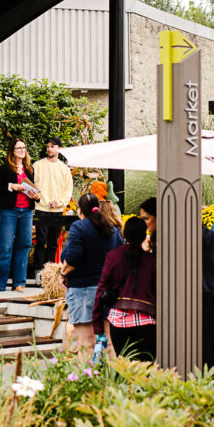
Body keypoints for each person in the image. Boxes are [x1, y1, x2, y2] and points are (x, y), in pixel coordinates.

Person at [61, 193, 123, 352]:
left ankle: (88, 370)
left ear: (79, 210)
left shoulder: (79, 227)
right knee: (108, 341)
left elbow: (72, 258)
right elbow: (121, 253)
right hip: (106, 291)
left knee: (86, 342)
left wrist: (63, 274)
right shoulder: (110, 227)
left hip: (83, 290)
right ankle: (111, 369)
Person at [92, 216, 156, 360]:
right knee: (144, 367)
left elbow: (101, 289)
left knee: (124, 366)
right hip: (147, 321)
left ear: (124, 234)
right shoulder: (152, 260)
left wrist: (97, 325)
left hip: (118, 321)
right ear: (144, 236)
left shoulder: (113, 257)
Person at [0, 137, 39, 292]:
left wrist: (36, 197)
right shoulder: (4, 169)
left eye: (24, 148)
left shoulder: (29, 169)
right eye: (19, 148)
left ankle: (19, 283)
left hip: (26, 211)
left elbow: (32, 189)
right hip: (10, 211)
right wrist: (11, 186)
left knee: (24, 245)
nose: (22, 150)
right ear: (12, 151)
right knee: (5, 245)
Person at [31, 138, 74, 277]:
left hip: (58, 210)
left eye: (52, 146)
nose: (49, 149)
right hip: (41, 208)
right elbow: (31, 186)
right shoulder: (37, 165)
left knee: (53, 243)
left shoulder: (64, 169)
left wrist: (59, 202)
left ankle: (49, 273)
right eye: (48, 146)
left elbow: (68, 190)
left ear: (59, 149)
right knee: (40, 241)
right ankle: (38, 272)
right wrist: (37, 198)